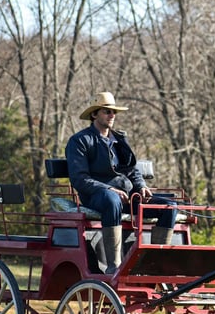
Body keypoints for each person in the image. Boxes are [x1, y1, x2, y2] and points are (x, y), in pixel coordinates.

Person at [66, 91, 177, 274]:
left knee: (169, 207)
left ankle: (155, 266)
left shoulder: (119, 139)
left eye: (114, 112)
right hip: (97, 197)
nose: (112, 116)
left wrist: (141, 186)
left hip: (126, 196)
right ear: (94, 114)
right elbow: (80, 179)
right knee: (112, 200)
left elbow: (132, 169)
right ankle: (114, 266)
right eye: (107, 111)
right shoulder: (79, 141)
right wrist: (109, 188)